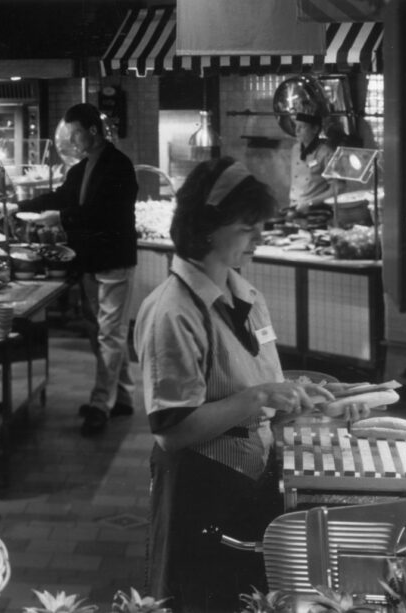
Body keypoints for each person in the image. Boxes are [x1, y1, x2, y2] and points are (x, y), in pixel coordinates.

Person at [134, 157, 371, 612]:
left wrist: (317, 401)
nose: (260, 238)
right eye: (248, 228)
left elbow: (263, 396)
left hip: (247, 480)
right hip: (199, 489)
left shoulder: (245, 296)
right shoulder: (173, 313)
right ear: (208, 229)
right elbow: (172, 430)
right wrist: (259, 396)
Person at [0, 102, 138, 436]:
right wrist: (18, 206)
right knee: (100, 331)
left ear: (93, 132)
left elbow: (102, 213)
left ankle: (101, 403)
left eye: (75, 134)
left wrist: (60, 218)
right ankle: (124, 396)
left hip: (113, 261)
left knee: (110, 334)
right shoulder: (81, 169)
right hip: (87, 261)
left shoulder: (119, 166)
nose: (72, 141)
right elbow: (61, 197)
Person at [288, 112, 337, 226]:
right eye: (296, 126)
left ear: (315, 129)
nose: (297, 131)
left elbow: (338, 187)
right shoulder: (295, 149)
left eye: (302, 127)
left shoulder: (326, 153)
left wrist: (310, 203)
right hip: (294, 208)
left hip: (317, 212)